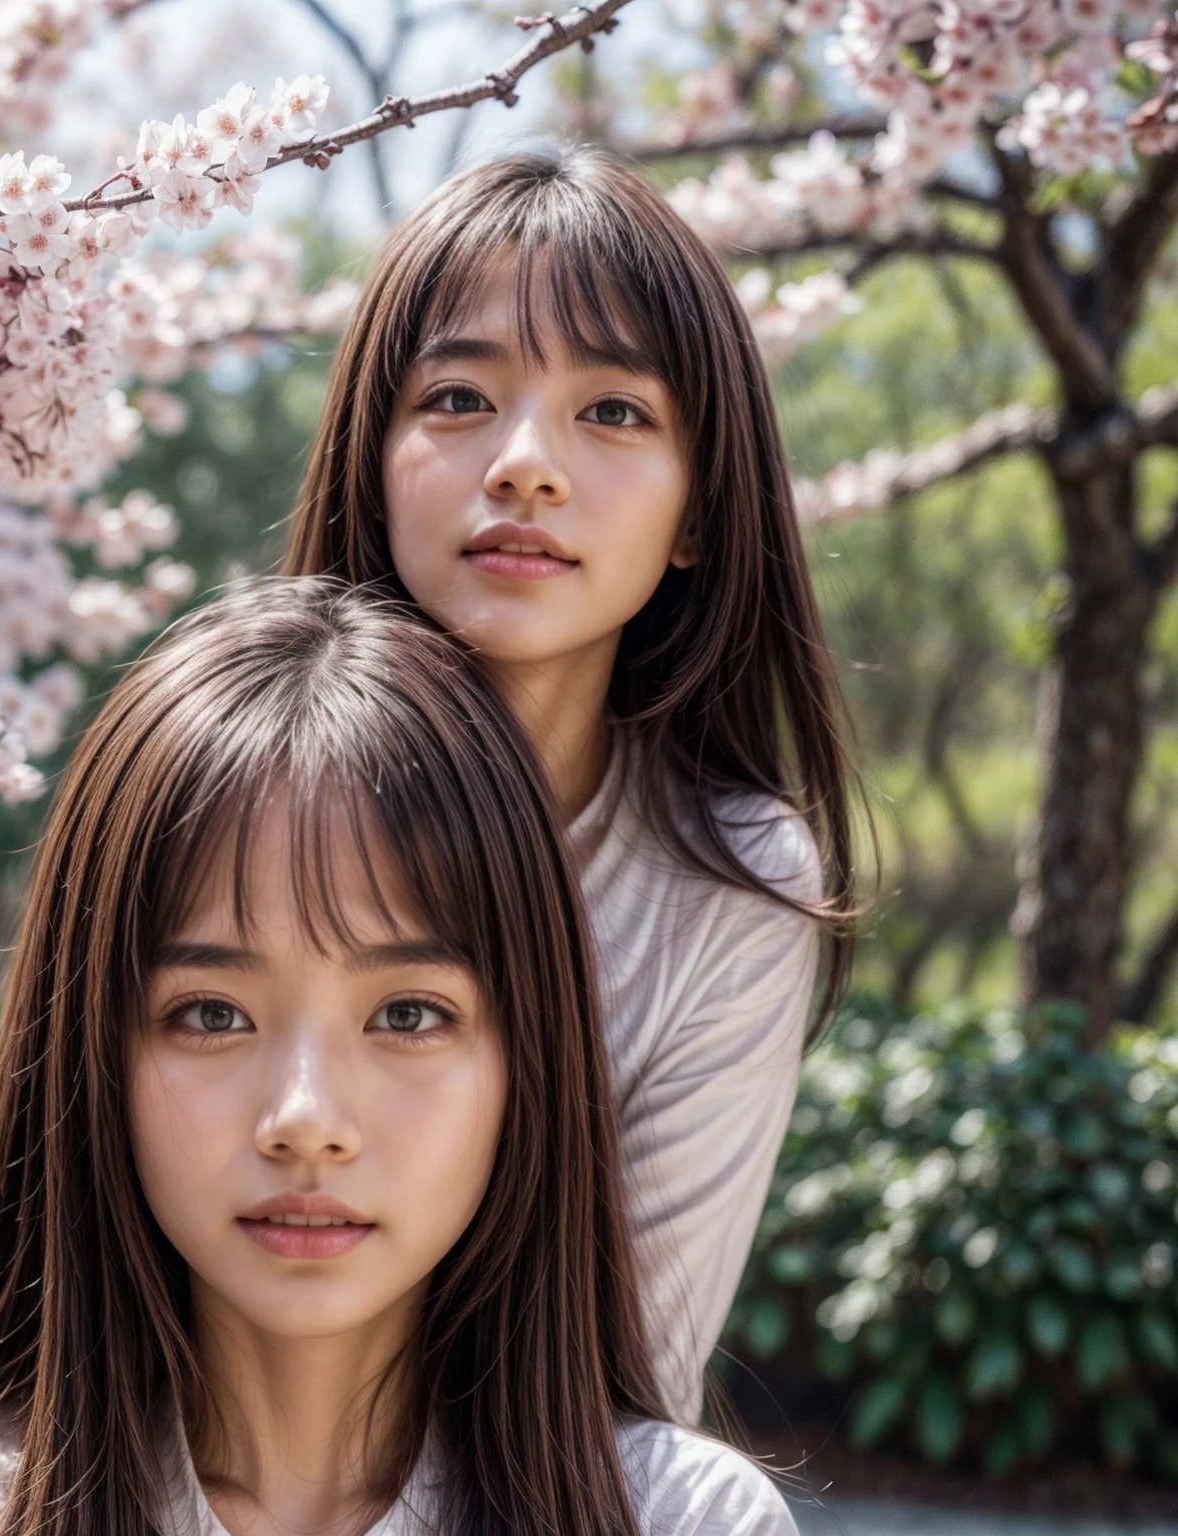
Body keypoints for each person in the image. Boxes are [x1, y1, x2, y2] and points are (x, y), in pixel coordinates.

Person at [0, 580, 797, 1536]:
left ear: (531, 1062)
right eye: (210, 1015)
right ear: (89, 1054)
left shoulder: (681, 1519)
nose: (305, 1117)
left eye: (410, 1015)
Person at [284, 149, 862, 1420]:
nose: (525, 465)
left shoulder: (729, 880)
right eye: (455, 398)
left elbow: (626, 1399)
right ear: (371, 459)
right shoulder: (229, 801)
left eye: (614, 412)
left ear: (701, 511)